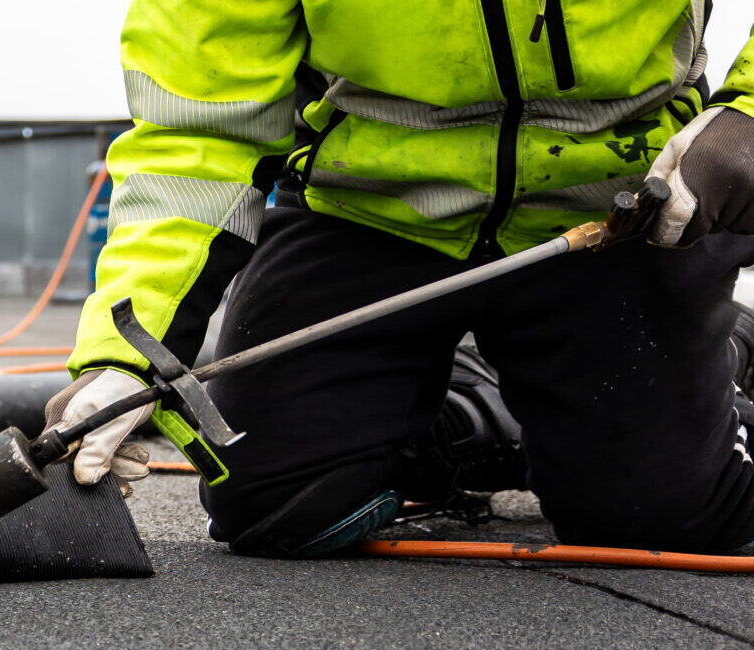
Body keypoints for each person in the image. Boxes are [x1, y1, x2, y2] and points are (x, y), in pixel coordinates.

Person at [53, 0, 754, 556]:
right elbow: (196, 139)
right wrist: (125, 355)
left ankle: (728, 352)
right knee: (277, 507)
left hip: (615, 209)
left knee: (662, 520)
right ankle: (484, 413)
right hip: (370, 210)